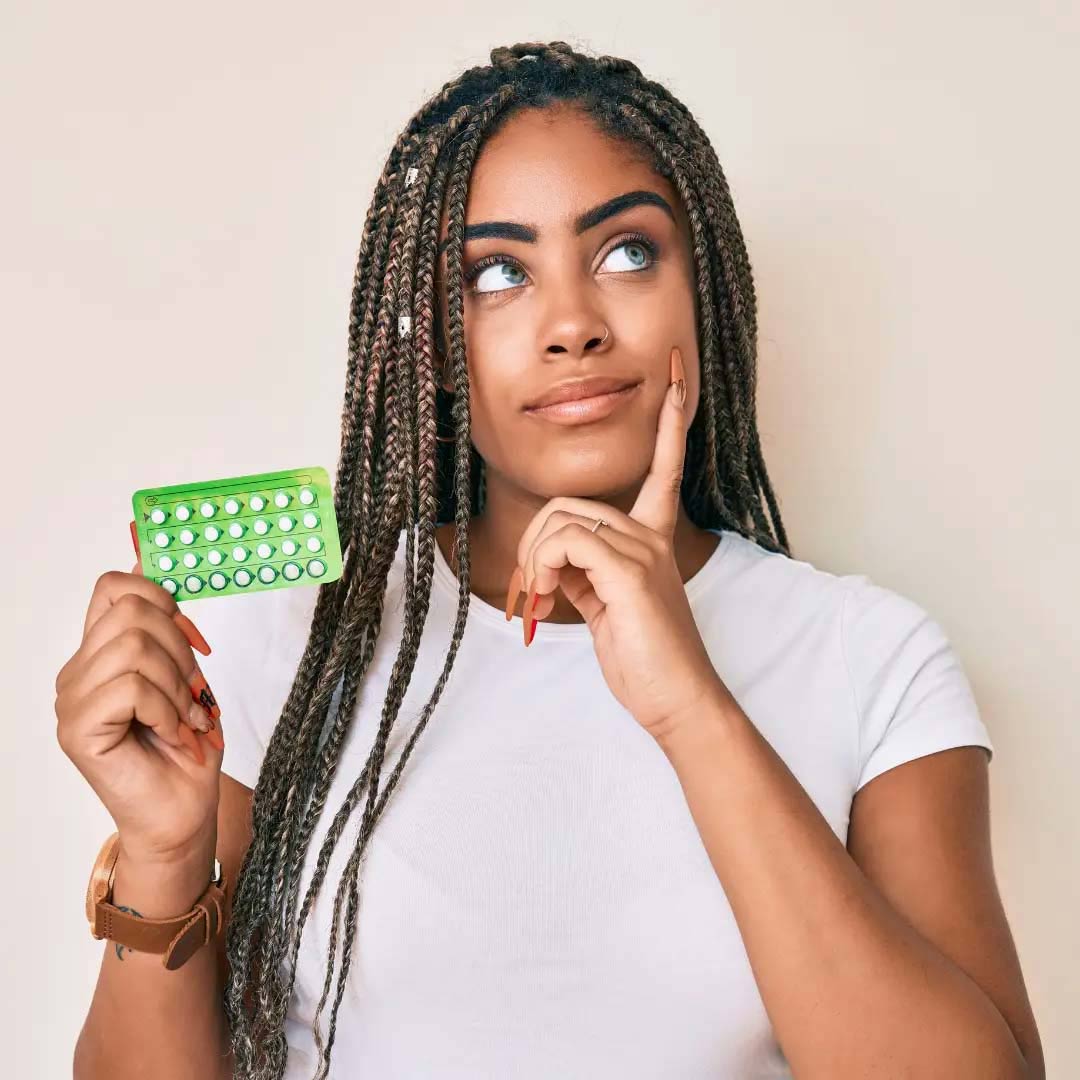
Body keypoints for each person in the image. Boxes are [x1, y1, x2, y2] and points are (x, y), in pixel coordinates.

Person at [56, 40, 1044, 1080]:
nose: (571, 324)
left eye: (626, 253)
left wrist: (690, 709)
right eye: (497, 274)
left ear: (702, 290)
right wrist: (165, 859)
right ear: (433, 339)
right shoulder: (286, 648)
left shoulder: (871, 658)